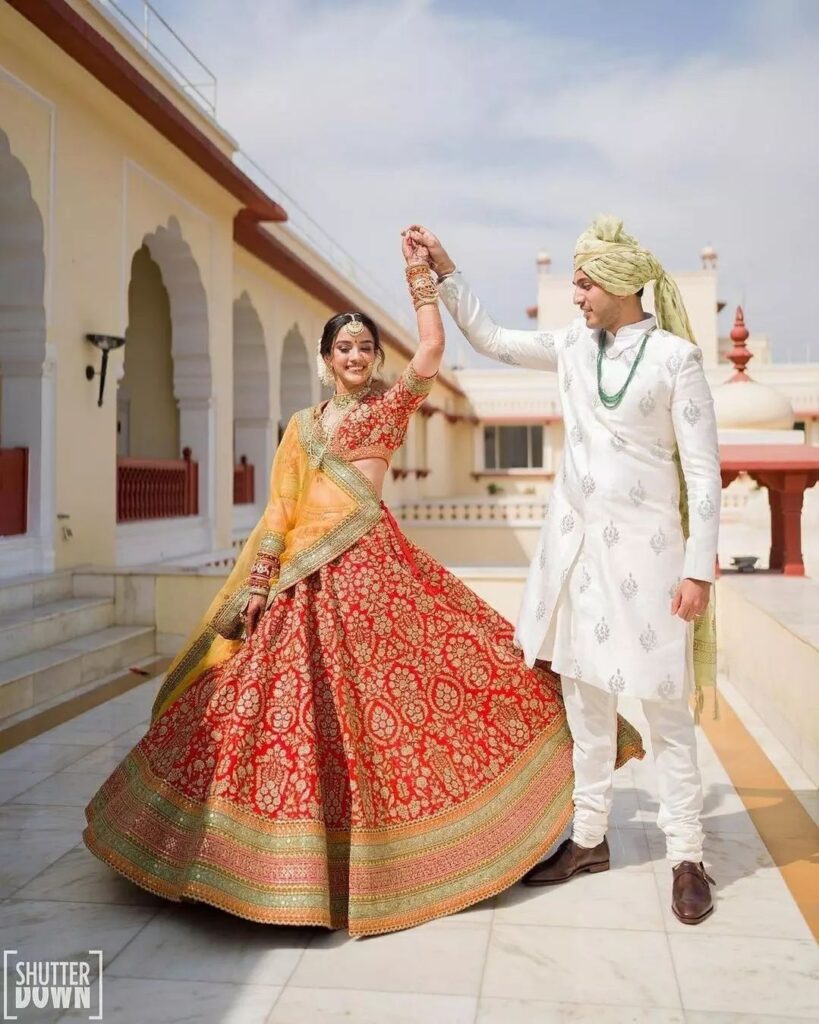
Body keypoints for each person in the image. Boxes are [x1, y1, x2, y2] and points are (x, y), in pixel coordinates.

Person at [83, 234, 643, 937]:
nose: (354, 358)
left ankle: (405, 853)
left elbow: (433, 353)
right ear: (325, 363)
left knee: (410, 698)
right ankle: (241, 865)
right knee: (268, 708)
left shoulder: (388, 410)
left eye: (364, 349)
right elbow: (282, 509)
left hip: (372, 568)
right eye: (342, 349)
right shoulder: (301, 427)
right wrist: (259, 583)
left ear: (375, 360)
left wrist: (421, 277)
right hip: (299, 580)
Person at [405, 216, 720, 925]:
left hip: (652, 558)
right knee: (584, 707)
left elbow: (702, 472)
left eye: (582, 283)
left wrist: (697, 568)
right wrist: (445, 270)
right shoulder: (572, 348)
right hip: (575, 556)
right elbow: (489, 338)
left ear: (615, 283)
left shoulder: (675, 359)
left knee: (666, 711)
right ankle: (586, 839)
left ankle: (687, 855)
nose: (574, 295)